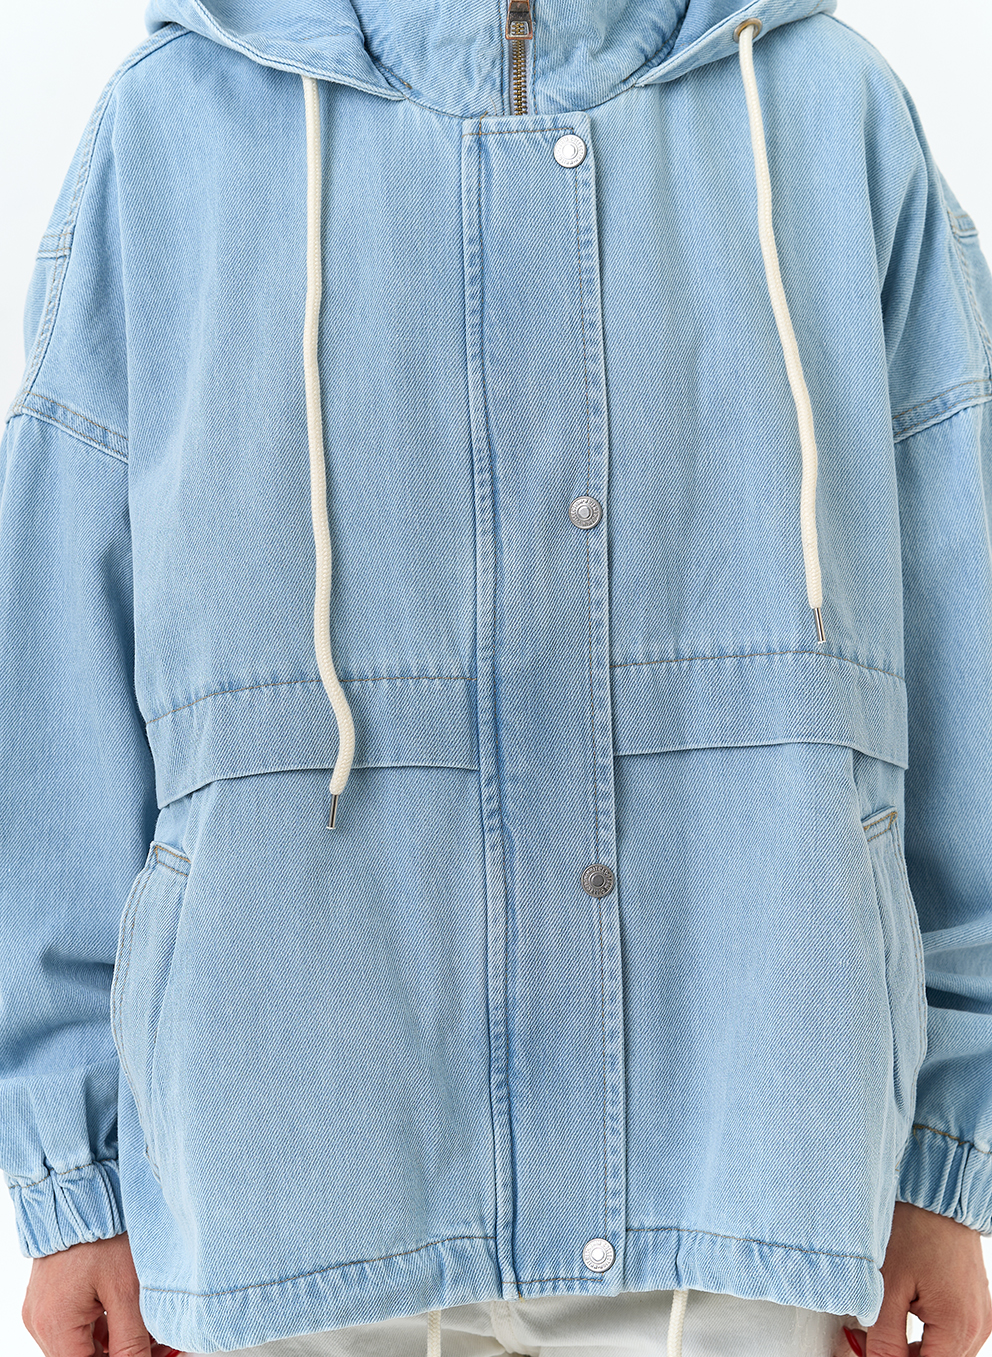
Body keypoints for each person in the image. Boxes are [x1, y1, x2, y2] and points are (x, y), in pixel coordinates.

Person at [2, 1, 992, 1355]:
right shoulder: (176, 122)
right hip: (293, 1163)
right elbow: (57, 661)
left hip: (751, 1153)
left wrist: (946, 1150)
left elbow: (962, 628)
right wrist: (74, 1175)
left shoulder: (828, 107)